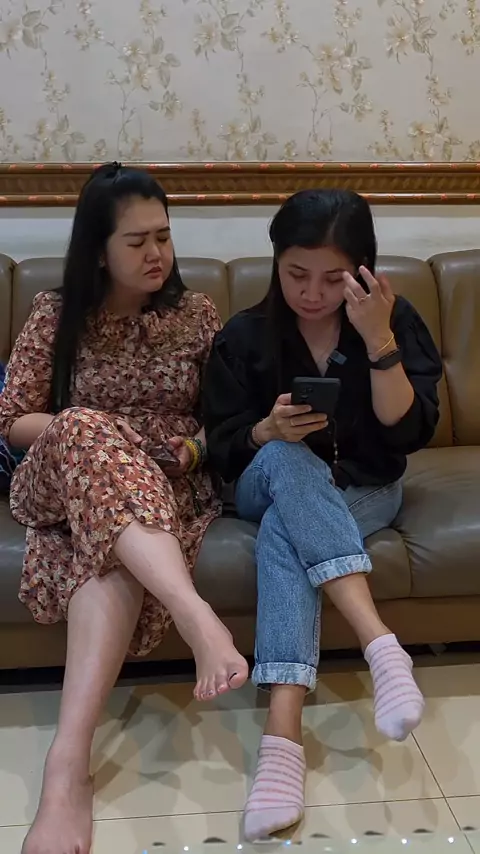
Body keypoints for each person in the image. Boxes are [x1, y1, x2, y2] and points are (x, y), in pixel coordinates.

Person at [0, 163, 248, 854]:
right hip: (61, 476)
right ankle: (195, 615)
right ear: (99, 249)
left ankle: (65, 771)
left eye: (163, 236)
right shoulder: (56, 313)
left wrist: (191, 452)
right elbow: (13, 420)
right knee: (84, 426)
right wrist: (103, 435)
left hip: (161, 489)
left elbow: (223, 423)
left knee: (106, 557)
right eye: (136, 241)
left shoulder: (196, 315)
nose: (156, 253)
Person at [203, 188, 442, 842]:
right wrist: (265, 430)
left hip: (365, 488)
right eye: (295, 274)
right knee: (287, 458)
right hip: (264, 478)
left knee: (286, 532)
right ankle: (380, 646)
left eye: (333, 279)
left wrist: (378, 340)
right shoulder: (245, 335)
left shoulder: (394, 321)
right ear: (276, 262)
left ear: (362, 271)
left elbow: (408, 431)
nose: (311, 293)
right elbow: (221, 446)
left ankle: (281, 744)